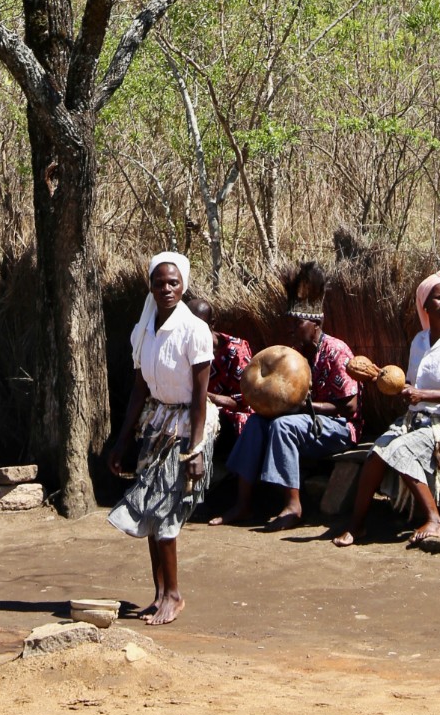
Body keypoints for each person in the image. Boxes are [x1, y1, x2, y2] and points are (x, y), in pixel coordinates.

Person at [333, 270, 440, 548]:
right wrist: (390, 382)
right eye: (439, 298)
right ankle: (357, 524)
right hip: (417, 419)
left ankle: (435, 520)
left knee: (400, 450)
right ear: (425, 305)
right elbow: (413, 385)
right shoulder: (419, 341)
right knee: (376, 453)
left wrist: (422, 393)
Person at [108, 252, 215, 624]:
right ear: (150, 286)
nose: (166, 289)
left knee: (168, 509)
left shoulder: (194, 330)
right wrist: (121, 442)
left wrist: (196, 449)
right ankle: (159, 592)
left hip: (187, 426)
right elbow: (139, 391)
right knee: (153, 512)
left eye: (173, 283)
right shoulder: (145, 330)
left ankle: (174, 594)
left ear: (183, 285)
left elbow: (200, 399)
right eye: (159, 282)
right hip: (157, 422)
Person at [215, 268, 358, 530]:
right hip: (305, 424)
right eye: (290, 322)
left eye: (298, 323)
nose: (291, 328)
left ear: (316, 324)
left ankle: (293, 505)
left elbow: (350, 407)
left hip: (339, 429)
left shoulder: (336, 351)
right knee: (257, 422)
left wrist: (304, 408)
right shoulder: (292, 355)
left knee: (283, 425)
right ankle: (243, 503)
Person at [186, 292, 253, 450]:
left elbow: (242, 402)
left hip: (227, 417)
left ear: (212, 324)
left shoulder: (236, 351)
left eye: (198, 326)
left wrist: (202, 395)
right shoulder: (182, 348)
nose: (192, 332)